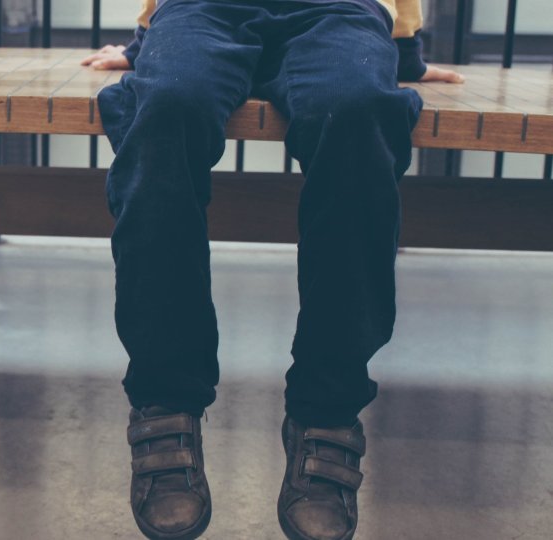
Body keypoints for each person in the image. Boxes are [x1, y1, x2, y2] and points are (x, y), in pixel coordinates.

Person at [81, 1, 463, 539]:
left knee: (356, 109)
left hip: (339, 9)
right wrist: (147, 42)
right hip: (202, 7)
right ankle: (166, 399)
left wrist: (401, 49)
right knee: (164, 106)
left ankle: (327, 410)